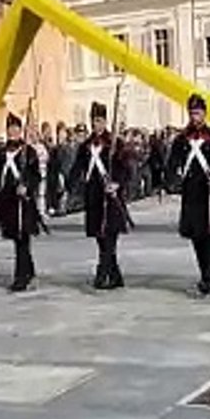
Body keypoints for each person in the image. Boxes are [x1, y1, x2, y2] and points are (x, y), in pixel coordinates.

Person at [167, 94, 210, 296]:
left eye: (198, 113)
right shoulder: (181, 140)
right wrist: (174, 181)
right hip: (192, 194)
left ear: (204, 114)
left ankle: (209, 275)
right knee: (197, 236)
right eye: (192, 113)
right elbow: (172, 165)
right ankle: (205, 272)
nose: (195, 117)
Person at [70, 101, 131, 290]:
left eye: (100, 120)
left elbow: (126, 169)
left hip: (111, 197)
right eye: (94, 121)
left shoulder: (116, 143)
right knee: (100, 237)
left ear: (105, 121)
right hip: (94, 196)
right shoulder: (86, 146)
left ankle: (102, 274)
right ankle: (116, 276)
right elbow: (78, 168)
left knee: (110, 236)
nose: (97, 124)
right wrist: (71, 185)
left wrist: (117, 184)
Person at [0, 113, 42, 292]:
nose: (12, 131)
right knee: (17, 240)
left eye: (15, 128)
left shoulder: (29, 152)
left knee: (23, 238)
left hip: (25, 201)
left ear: (20, 130)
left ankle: (21, 277)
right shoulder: (0, 153)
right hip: (8, 202)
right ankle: (29, 271)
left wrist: (27, 187)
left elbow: (36, 176)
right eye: (10, 128)